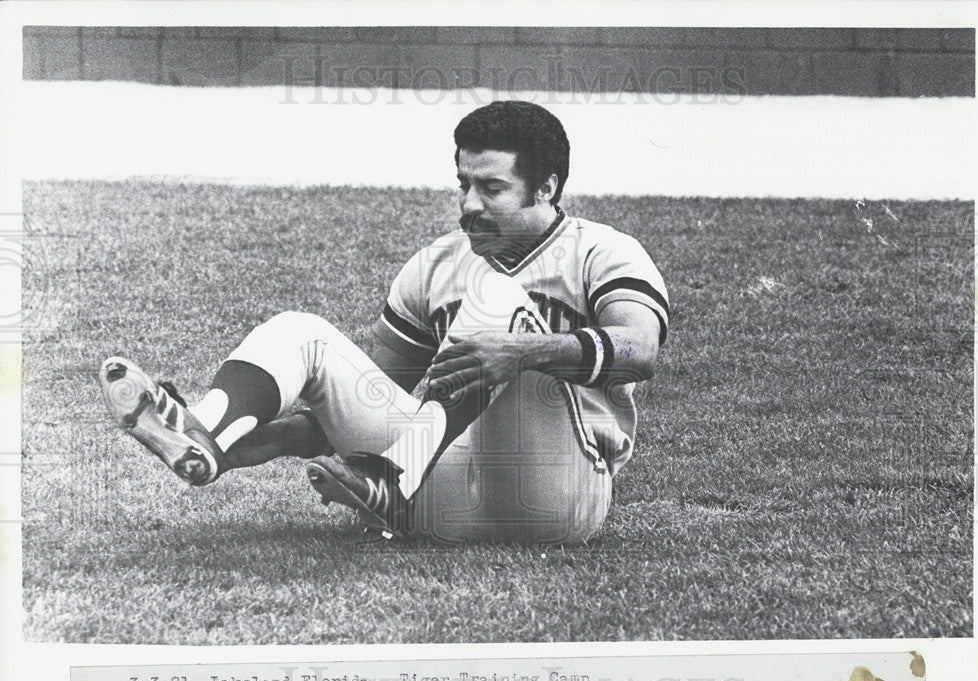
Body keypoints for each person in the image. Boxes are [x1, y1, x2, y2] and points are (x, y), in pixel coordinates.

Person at [99, 100, 670, 544]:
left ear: (545, 188)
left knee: (497, 300)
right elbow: (378, 396)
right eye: (464, 185)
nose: (470, 204)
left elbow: (639, 349)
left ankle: (392, 476)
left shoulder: (602, 251)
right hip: (442, 494)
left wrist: (522, 351)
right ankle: (205, 434)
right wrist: (272, 441)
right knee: (303, 332)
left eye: (492, 188)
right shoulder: (436, 264)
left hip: (556, 493)